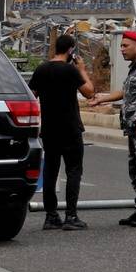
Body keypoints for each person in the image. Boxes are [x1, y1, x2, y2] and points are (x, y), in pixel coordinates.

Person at [93, 29, 136, 227]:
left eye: (125, 46)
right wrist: (102, 99)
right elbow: (126, 92)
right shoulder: (135, 68)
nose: (122, 49)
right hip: (133, 127)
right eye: (121, 46)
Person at [29, 34, 96, 230]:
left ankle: (51, 216)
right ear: (70, 50)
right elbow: (89, 92)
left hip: (49, 129)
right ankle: (71, 216)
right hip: (70, 128)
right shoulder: (70, 70)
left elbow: (32, 94)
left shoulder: (41, 69)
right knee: (74, 171)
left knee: (50, 171)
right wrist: (82, 70)